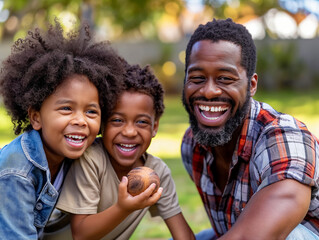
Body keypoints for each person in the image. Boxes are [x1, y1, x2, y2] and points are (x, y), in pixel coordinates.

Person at [181, 18, 319, 240]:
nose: (208, 91)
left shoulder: (284, 137)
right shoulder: (192, 145)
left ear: (251, 85)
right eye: (197, 78)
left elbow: (254, 237)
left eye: (225, 79)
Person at [0, 18, 125, 239]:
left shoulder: (74, 153)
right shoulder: (17, 169)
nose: (81, 120)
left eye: (91, 112)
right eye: (66, 108)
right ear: (36, 117)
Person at [56, 63, 195, 240]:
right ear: (102, 124)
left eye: (142, 122)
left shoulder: (157, 172)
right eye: (117, 120)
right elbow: (81, 234)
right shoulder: (91, 159)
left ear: (155, 127)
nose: (129, 132)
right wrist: (123, 208)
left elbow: (184, 236)